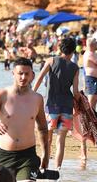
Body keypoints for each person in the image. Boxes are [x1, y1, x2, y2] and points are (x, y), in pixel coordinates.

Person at [33, 38, 81, 168]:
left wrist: (32, 93)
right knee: (61, 141)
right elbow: (76, 92)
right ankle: (58, 170)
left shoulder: (51, 61)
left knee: (47, 140)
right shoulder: (75, 68)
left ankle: (44, 167)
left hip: (51, 106)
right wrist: (81, 102)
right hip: (67, 107)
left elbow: (39, 78)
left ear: (61, 48)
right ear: (73, 51)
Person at [83, 39, 97, 112]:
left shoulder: (91, 53)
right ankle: (91, 116)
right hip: (92, 78)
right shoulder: (91, 54)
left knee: (94, 99)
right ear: (92, 45)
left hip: (93, 78)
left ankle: (93, 115)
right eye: (96, 43)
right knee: (92, 99)